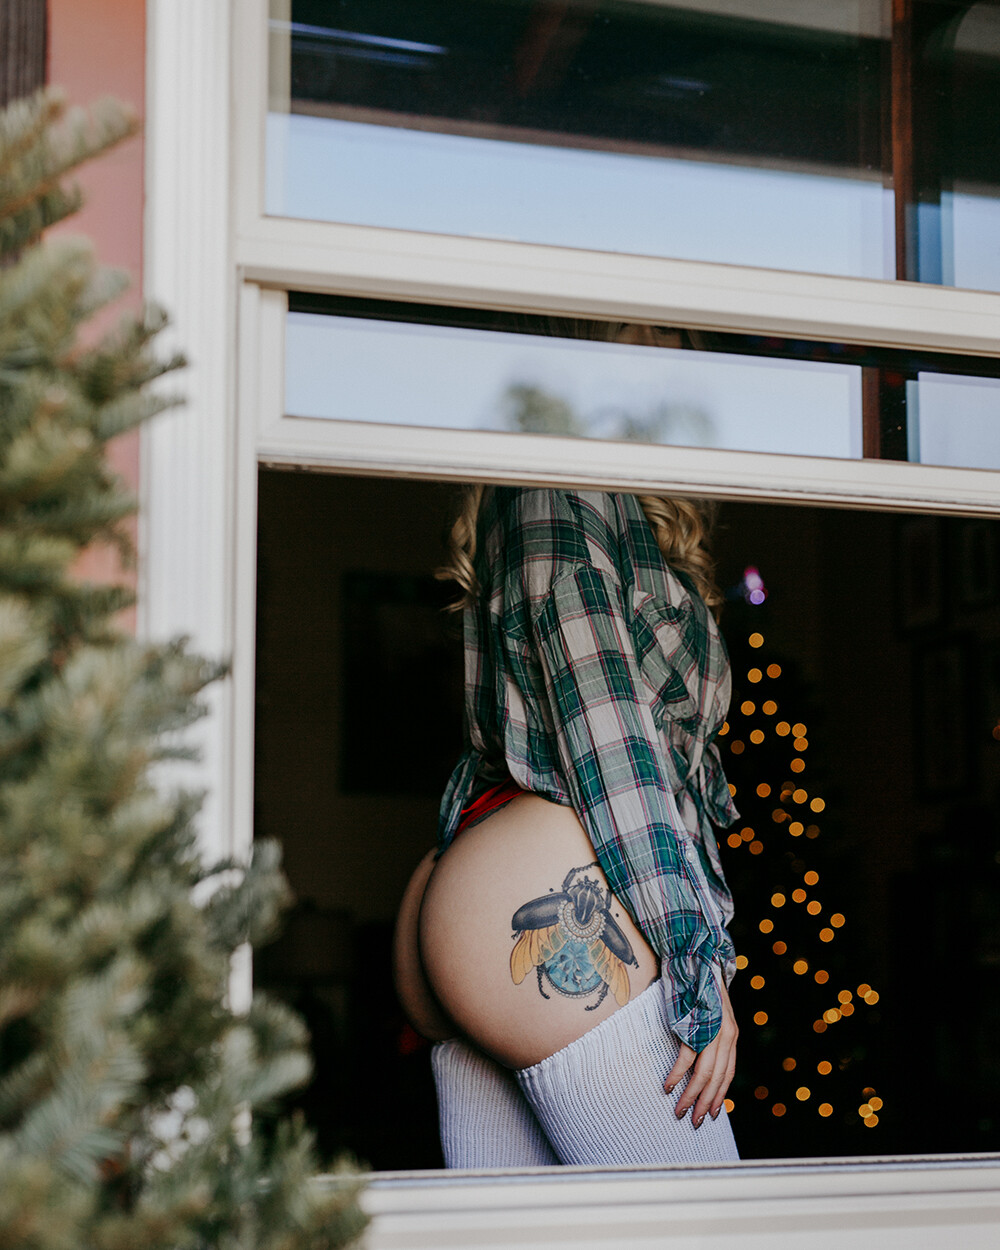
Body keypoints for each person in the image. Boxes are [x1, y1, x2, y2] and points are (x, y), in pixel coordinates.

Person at [394, 483, 740, 1167]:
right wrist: (694, 955)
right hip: (531, 892)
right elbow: (607, 736)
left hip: (493, 894)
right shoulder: (560, 488)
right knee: (706, 1220)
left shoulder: (564, 507)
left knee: (525, 1224)